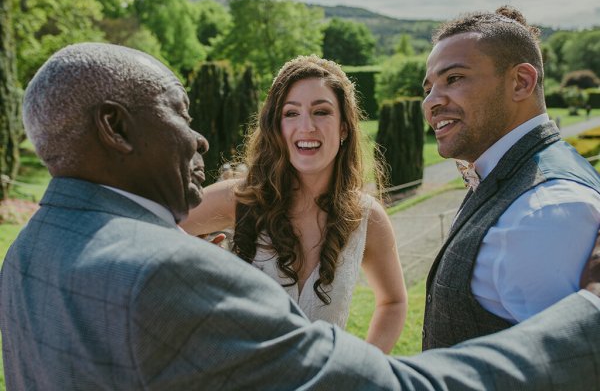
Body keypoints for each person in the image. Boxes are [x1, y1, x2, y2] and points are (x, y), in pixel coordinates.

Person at [2, 42, 600, 391]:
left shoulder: (31, 252)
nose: (200, 139)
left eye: (321, 112)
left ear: (345, 127)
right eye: (179, 114)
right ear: (115, 127)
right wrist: (591, 311)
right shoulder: (170, 272)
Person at [180, 55, 408, 353]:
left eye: (321, 111)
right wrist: (186, 263)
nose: (306, 126)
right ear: (276, 127)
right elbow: (146, 234)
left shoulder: (366, 217)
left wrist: (364, 374)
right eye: (291, 113)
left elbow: (394, 301)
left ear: (344, 128)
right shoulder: (238, 199)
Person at [421, 5, 600, 349]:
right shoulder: (500, 171)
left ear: (521, 82)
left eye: (453, 78)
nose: (431, 102)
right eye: (428, 87)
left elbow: (564, 372)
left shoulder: (545, 213)